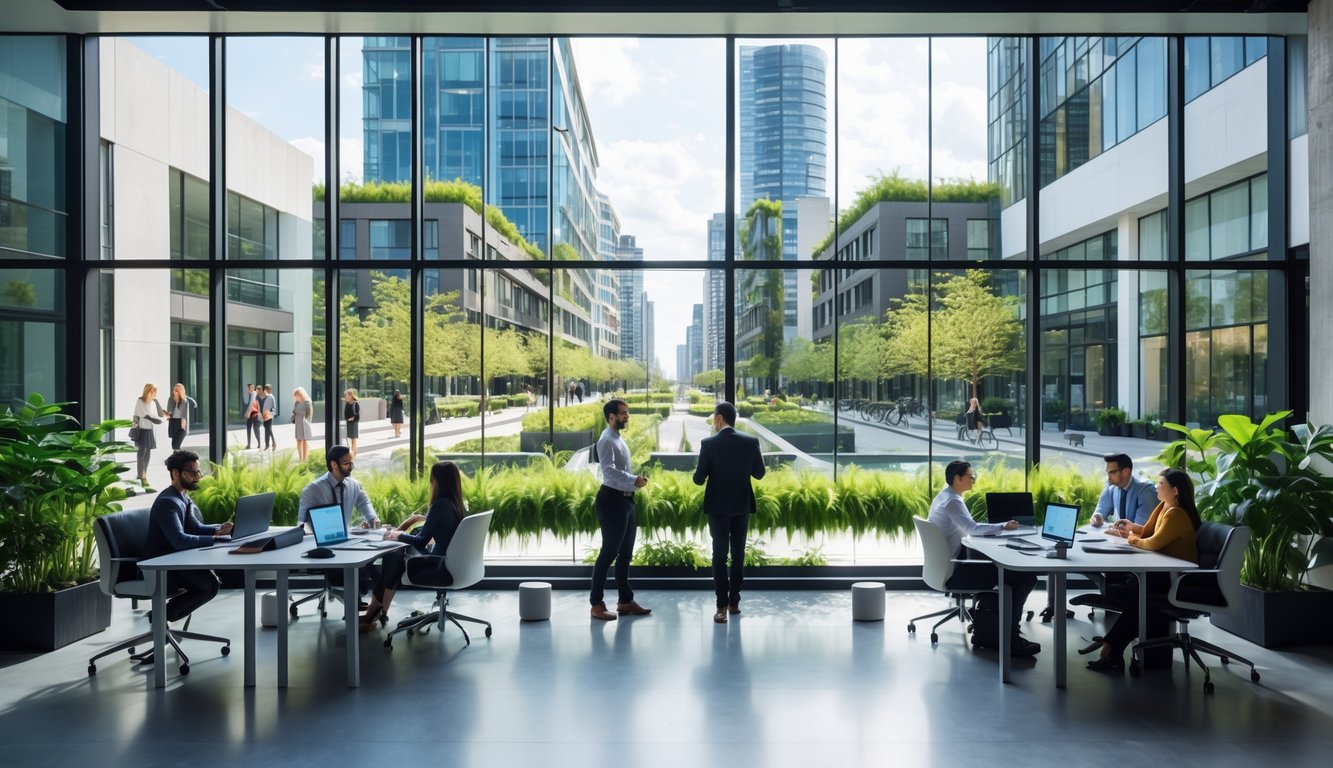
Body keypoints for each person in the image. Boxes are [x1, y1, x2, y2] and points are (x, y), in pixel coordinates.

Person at [1087, 468, 1201, 672]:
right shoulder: (1164, 507)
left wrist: (1130, 538)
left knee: (1137, 592)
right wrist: (1131, 528)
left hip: (1177, 578)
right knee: (1136, 593)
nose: (1156, 486)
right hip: (1163, 571)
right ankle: (1113, 649)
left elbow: (1154, 543)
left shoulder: (1176, 513)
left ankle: (1111, 646)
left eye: (1161, 483)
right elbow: (1149, 532)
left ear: (1175, 491)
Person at [927, 460, 1041, 657]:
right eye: (971, 476)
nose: (974, 480)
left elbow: (967, 528)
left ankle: (998, 630)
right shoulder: (953, 501)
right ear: (958, 478)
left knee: (1019, 577)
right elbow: (972, 529)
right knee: (1024, 579)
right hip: (956, 571)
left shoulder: (944, 496)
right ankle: (1011, 639)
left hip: (946, 567)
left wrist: (992, 529)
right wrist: (1003, 526)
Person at [358, 461, 467, 632]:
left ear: (438, 482)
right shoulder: (456, 504)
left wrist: (398, 535)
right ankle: (379, 610)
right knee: (396, 555)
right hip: (453, 563)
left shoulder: (439, 506)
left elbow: (422, 540)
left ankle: (375, 611)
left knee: (394, 556)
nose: (431, 484)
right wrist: (409, 525)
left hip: (438, 565)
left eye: (432, 480)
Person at [693, 401, 766, 623]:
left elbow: (699, 479)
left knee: (719, 556)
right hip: (741, 506)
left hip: (717, 508)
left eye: (714, 418)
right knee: (738, 555)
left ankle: (720, 606)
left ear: (719, 419)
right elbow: (759, 473)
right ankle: (734, 602)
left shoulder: (708, 444)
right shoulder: (750, 442)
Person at [143, 450, 232, 629]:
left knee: (211, 583)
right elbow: (179, 540)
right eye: (192, 473)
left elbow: (195, 528)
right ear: (175, 473)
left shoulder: (182, 497)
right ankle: (161, 616)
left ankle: (162, 616)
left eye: (199, 472)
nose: (198, 477)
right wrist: (215, 539)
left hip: (175, 561)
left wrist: (219, 530)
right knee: (209, 584)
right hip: (160, 567)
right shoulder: (168, 502)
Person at [589, 398, 651, 621]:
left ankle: (625, 601)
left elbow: (619, 471)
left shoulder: (617, 438)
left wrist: (635, 483)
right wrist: (634, 480)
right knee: (609, 552)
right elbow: (609, 471)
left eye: (627, 412)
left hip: (626, 501)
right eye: (623, 413)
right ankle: (596, 604)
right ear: (611, 417)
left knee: (625, 554)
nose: (627, 416)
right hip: (612, 501)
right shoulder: (606, 440)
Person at [298, 444, 381, 602]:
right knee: (362, 569)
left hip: (346, 541)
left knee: (370, 562)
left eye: (352, 462)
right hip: (321, 545)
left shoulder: (353, 485)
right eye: (346, 463)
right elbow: (300, 524)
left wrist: (373, 519)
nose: (351, 466)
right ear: (334, 465)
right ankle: (355, 602)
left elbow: (364, 502)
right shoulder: (313, 489)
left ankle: (363, 600)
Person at [1090, 453, 1158, 527]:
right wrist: (1097, 517)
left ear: (1126, 472)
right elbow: (1101, 508)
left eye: (1112, 473)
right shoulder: (1111, 485)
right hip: (1119, 533)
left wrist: (1114, 529)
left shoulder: (1146, 490)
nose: (1108, 478)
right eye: (1107, 473)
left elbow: (1140, 529)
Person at [131, 383, 166, 488]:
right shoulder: (140, 401)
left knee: (148, 454)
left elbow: (159, 415)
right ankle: (141, 477)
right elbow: (137, 415)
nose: (155, 393)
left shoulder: (153, 403)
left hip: (150, 430)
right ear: (149, 391)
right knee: (141, 454)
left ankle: (144, 475)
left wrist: (157, 401)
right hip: (141, 430)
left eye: (155, 391)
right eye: (153, 391)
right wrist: (134, 430)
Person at [165, 382, 193, 451]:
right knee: (174, 445)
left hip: (181, 424)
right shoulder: (171, 399)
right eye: (174, 390)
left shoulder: (184, 401)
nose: (174, 392)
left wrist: (183, 427)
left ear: (180, 392)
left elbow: (184, 415)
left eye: (176, 390)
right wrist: (167, 413)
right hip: (173, 423)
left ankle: (180, 457)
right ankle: (177, 457)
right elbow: (169, 411)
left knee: (176, 445)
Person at [291, 386, 313, 462]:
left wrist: (297, 411)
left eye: (295, 395)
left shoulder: (308, 402)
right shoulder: (297, 403)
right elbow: (294, 411)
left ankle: (305, 459)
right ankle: (301, 459)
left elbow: (308, 414)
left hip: (304, 423)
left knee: (304, 440)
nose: (295, 397)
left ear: (300, 394)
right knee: (299, 440)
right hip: (298, 423)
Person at [343, 389, 361, 458]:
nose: (346, 397)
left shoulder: (356, 403)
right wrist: (347, 418)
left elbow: (358, 415)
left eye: (347, 396)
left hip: (354, 423)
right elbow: (345, 413)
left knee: (353, 440)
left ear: (351, 396)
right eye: (345, 396)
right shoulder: (347, 404)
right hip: (348, 423)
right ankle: (351, 453)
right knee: (349, 439)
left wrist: (353, 418)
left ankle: (353, 455)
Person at [243, 383, 261, 449]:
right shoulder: (250, 394)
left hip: (255, 414)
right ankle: (249, 445)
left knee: (256, 429)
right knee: (248, 429)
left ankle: (259, 444)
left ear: (253, 388)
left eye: (250, 388)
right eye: (248, 388)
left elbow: (251, 404)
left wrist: (247, 414)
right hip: (251, 414)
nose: (248, 389)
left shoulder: (254, 393)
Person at [260, 384, 277, 450]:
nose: (268, 390)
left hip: (268, 415)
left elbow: (272, 407)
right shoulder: (266, 396)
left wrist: (270, 415)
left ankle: (273, 443)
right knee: (267, 429)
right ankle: (267, 445)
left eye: (269, 389)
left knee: (268, 429)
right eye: (267, 389)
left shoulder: (270, 396)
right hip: (265, 415)